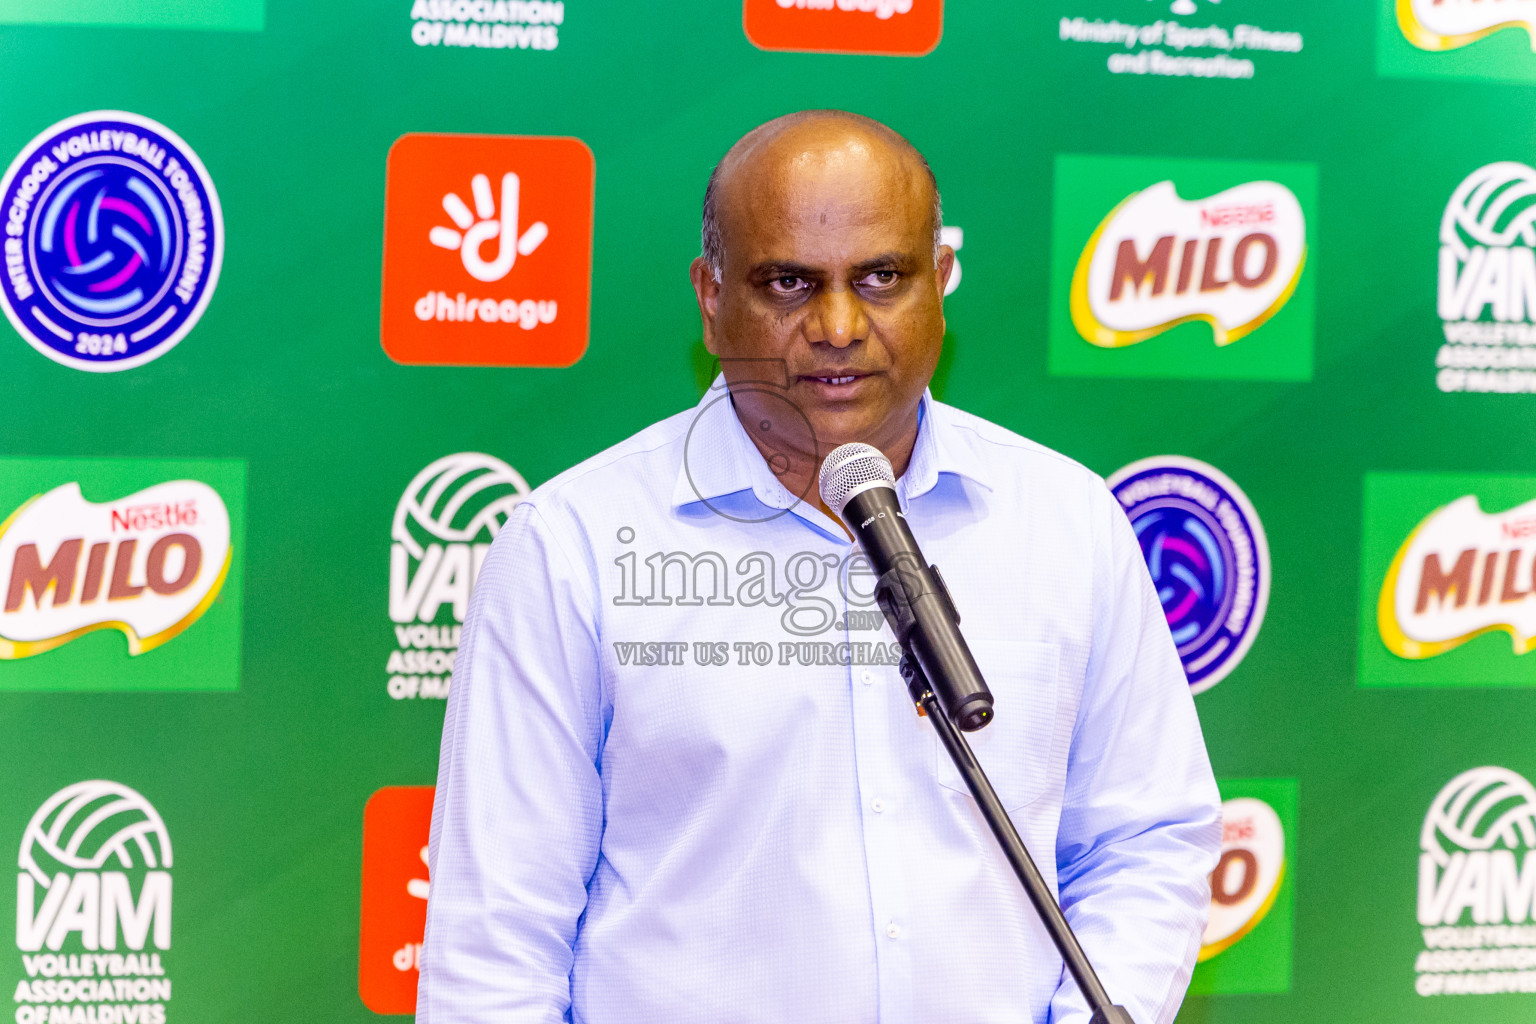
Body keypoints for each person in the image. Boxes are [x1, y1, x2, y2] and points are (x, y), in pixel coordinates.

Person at [419, 110, 1221, 1024]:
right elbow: (495, 944)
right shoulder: (575, 544)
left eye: (882, 277)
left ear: (942, 283)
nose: (838, 326)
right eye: (789, 283)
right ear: (711, 297)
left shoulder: (1067, 522)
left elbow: (1145, 840)